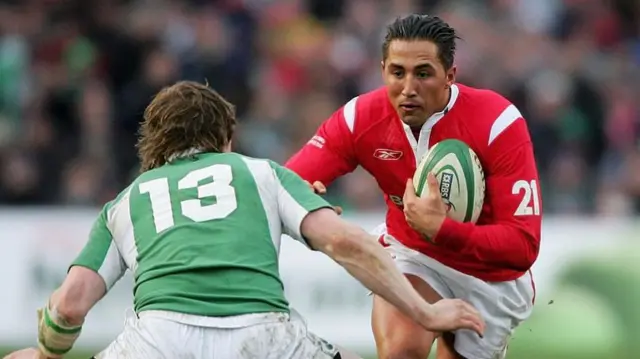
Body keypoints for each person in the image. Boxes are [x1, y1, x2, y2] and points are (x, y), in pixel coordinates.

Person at [3, 81, 484, 359]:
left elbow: (69, 306)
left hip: (157, 342)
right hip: (263, 339)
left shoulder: (124, 203)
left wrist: (47, 351)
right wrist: (425, 312)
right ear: (225, 137)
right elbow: (347, 243)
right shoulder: (260, 173)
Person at [286, 14, 541, 359]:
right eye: (397, 72)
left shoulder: (498, 122)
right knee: (401, 350)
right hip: (411, 254)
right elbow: (286, 183)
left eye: (423, 73)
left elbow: (523, 246)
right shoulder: (359, 117)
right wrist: (306, 202)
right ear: (382, 70)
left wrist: (442, 229)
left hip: (489, 278)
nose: (408, 88)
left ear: (450, 75)